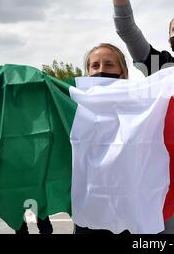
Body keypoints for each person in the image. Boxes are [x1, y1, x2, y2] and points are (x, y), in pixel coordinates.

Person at [73, 42, 130, 234]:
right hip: (90, 210)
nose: (101, 70)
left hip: (129, 210)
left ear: (123, 72)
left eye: (109, 64)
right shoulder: (75, 108)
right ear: (87, 73)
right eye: (95, 66)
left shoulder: (141, 106)